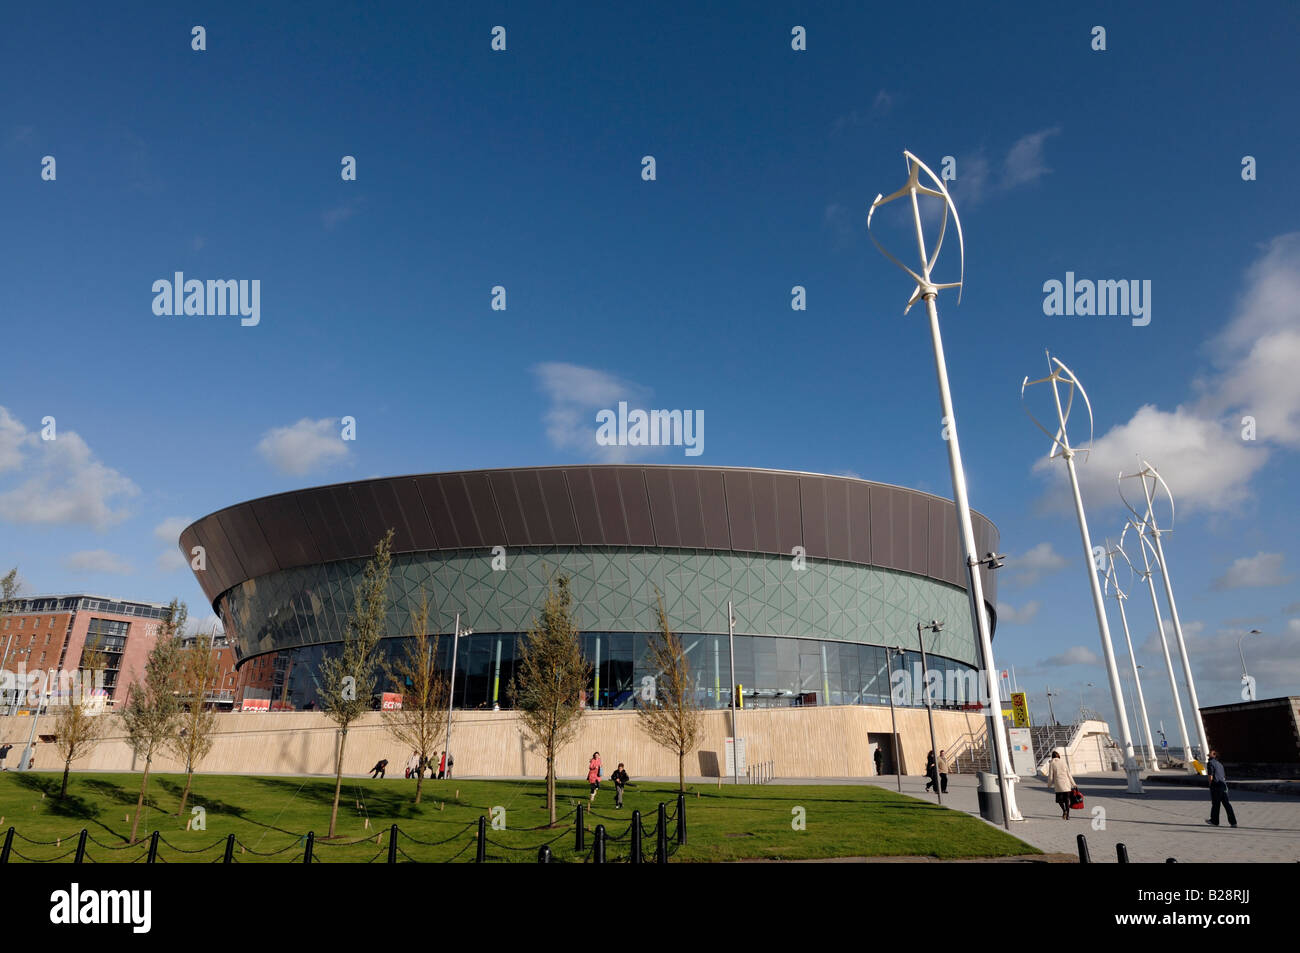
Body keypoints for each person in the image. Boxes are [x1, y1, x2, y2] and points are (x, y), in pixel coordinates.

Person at [1205, 749, 1237, 828]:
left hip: (1216, 786)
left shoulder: (1210, 763)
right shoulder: (1220, 764)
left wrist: (1210, 785)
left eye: (1211, 753)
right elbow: (1224, 776)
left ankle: (1214, 821)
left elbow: (1210, 776)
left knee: (1216, 804)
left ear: (1214, 755)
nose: (1209, 753)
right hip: (1223, 786)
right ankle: (1233, 822)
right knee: (1227, 804)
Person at [1046, 750, 1076, 820]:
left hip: (1058, 784)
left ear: (1052, 757)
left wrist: (1049, 784)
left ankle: (1064, 810)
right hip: (1067, 784)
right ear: (1058, 756)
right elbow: (1069, 774)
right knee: (1067, 800)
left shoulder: (1052, 763)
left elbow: (1050, 775)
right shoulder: (1063, 762)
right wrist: (1074, 784)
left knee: (1059, 800)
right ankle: (1068, 815)